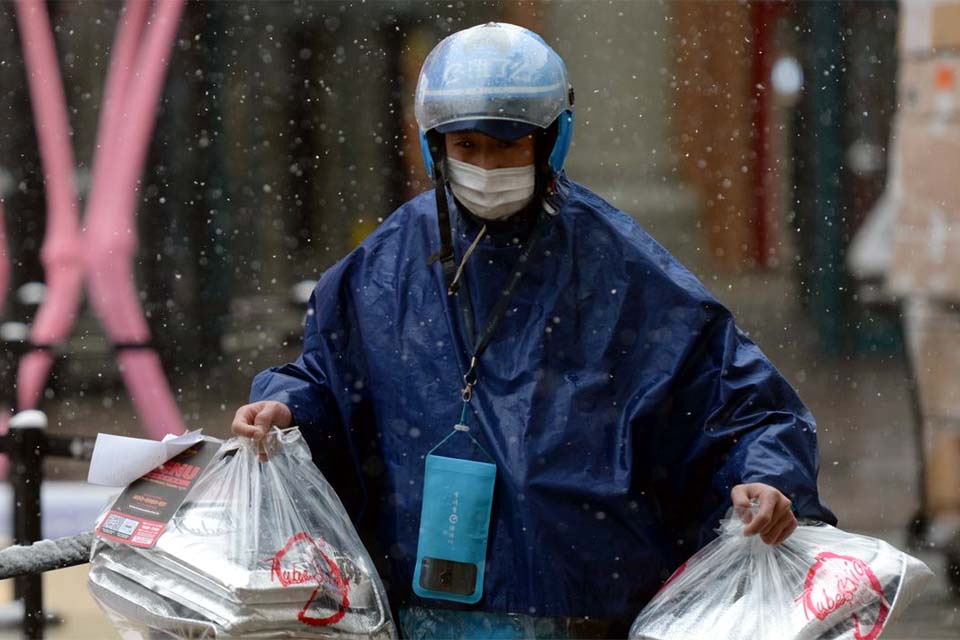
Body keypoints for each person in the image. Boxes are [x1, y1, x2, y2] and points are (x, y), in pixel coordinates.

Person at [232, 22, 836, 639]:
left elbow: (740, 401)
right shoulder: (384, 266)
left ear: (550, 141)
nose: (485, 166)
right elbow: (330, 379)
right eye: (467, 145)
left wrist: (766, 476)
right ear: (434, 146)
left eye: (508, 144)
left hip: (585, 609)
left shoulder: (622, 268)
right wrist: (288, 407)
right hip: (424, 608)